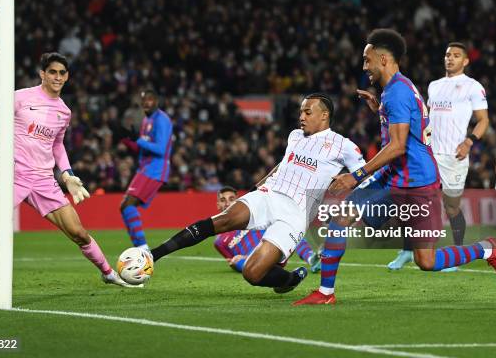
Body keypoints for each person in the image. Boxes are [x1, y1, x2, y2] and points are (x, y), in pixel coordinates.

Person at [295, 29, 496, 306]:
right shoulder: (396, 90)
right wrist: (380, 111)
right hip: (391, 178)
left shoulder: (397, 93)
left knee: (427, 261)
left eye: (367, 60)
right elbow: (410, 128)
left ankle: (487, 249)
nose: (364, 67)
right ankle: (325, 293)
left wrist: (356, 176)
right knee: (340, 216)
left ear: (383, 59)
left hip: (418, 183)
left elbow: (397, 146)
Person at [0, 52, 135, 297]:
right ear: (42, 74)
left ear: (67, 77)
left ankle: (108, 272)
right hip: (13, 176)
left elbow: (57, 145)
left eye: (62, 73)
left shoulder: (64, 112)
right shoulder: (20, 97)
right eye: (53, 72)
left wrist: (67, 175)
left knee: (78, 233)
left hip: (44, 180)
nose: (57, 77)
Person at [148, 93, 366, 293]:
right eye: (300, 111)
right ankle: (153, 254)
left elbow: (365, 173)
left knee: (252, 273)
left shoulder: (343, 146)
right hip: (269, 194)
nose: (301, 116)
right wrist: (257, 187)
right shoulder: (295, 136)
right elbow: (282, 164)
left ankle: (290, 279)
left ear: (324, 115)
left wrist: (349, 188)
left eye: (307, 112)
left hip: (295, 215)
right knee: (223, 220)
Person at [387, 42, 489, 271]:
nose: (450, 59)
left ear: (465, 61)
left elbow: (484, 120)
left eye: (456, 55)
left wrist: (469, 141)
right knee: (411, 204)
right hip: (429, 155)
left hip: (454, 156)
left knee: (451, 207)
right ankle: (406, 251)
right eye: (447, 55)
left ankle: (458, 251)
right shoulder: (434, 86)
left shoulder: (473, 86)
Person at [212, 186, 321, 273]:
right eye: (223, 200)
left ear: (238, 201)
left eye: (231, 199)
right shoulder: (219, 242)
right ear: (217, 205)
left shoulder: (252, 215)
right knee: (237, 261)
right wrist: (237, 262)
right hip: (253, 261)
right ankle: (278, 273)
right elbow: (232, 262)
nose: (227, 203)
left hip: (273, 249)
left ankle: (311, 258)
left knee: (288, 231)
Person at [119, 89, 173, 252]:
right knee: (124, 206)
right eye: (144, 100)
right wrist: (128, 140)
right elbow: (142, 148)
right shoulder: (146, 121)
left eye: (150, 99)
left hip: (156, 168)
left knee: (128, 204)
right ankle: (140, 249)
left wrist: (139, 141)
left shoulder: (162, 120)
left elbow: (161, 149)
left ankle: (143, 250)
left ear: (156, 100)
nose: (146, 103)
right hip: (145, 167)